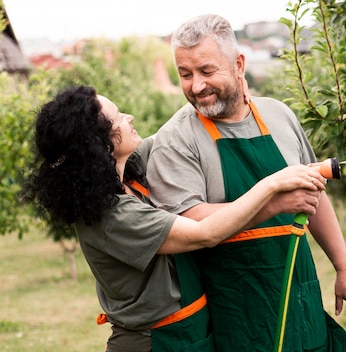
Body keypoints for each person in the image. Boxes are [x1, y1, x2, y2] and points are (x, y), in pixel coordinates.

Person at [23, 85, 327, 352]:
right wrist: (272, 187)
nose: (129, 118)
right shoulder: (113, 216)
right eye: (118, 118)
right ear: (102, 146)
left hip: (188, 331)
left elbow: (174, 132)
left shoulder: (126, 173)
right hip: (152, 342)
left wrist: (214, 90)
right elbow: (204, 233)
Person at [147, 14, 346, 351]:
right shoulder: (175, 141)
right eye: (185, 74)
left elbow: (313, 195)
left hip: (299, 299)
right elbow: (189, 223)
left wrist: (345, 269)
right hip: (234, 314)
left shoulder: (279, 115)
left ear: (238, 64)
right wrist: (274, 202)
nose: (196, 86)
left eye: (207, 71)